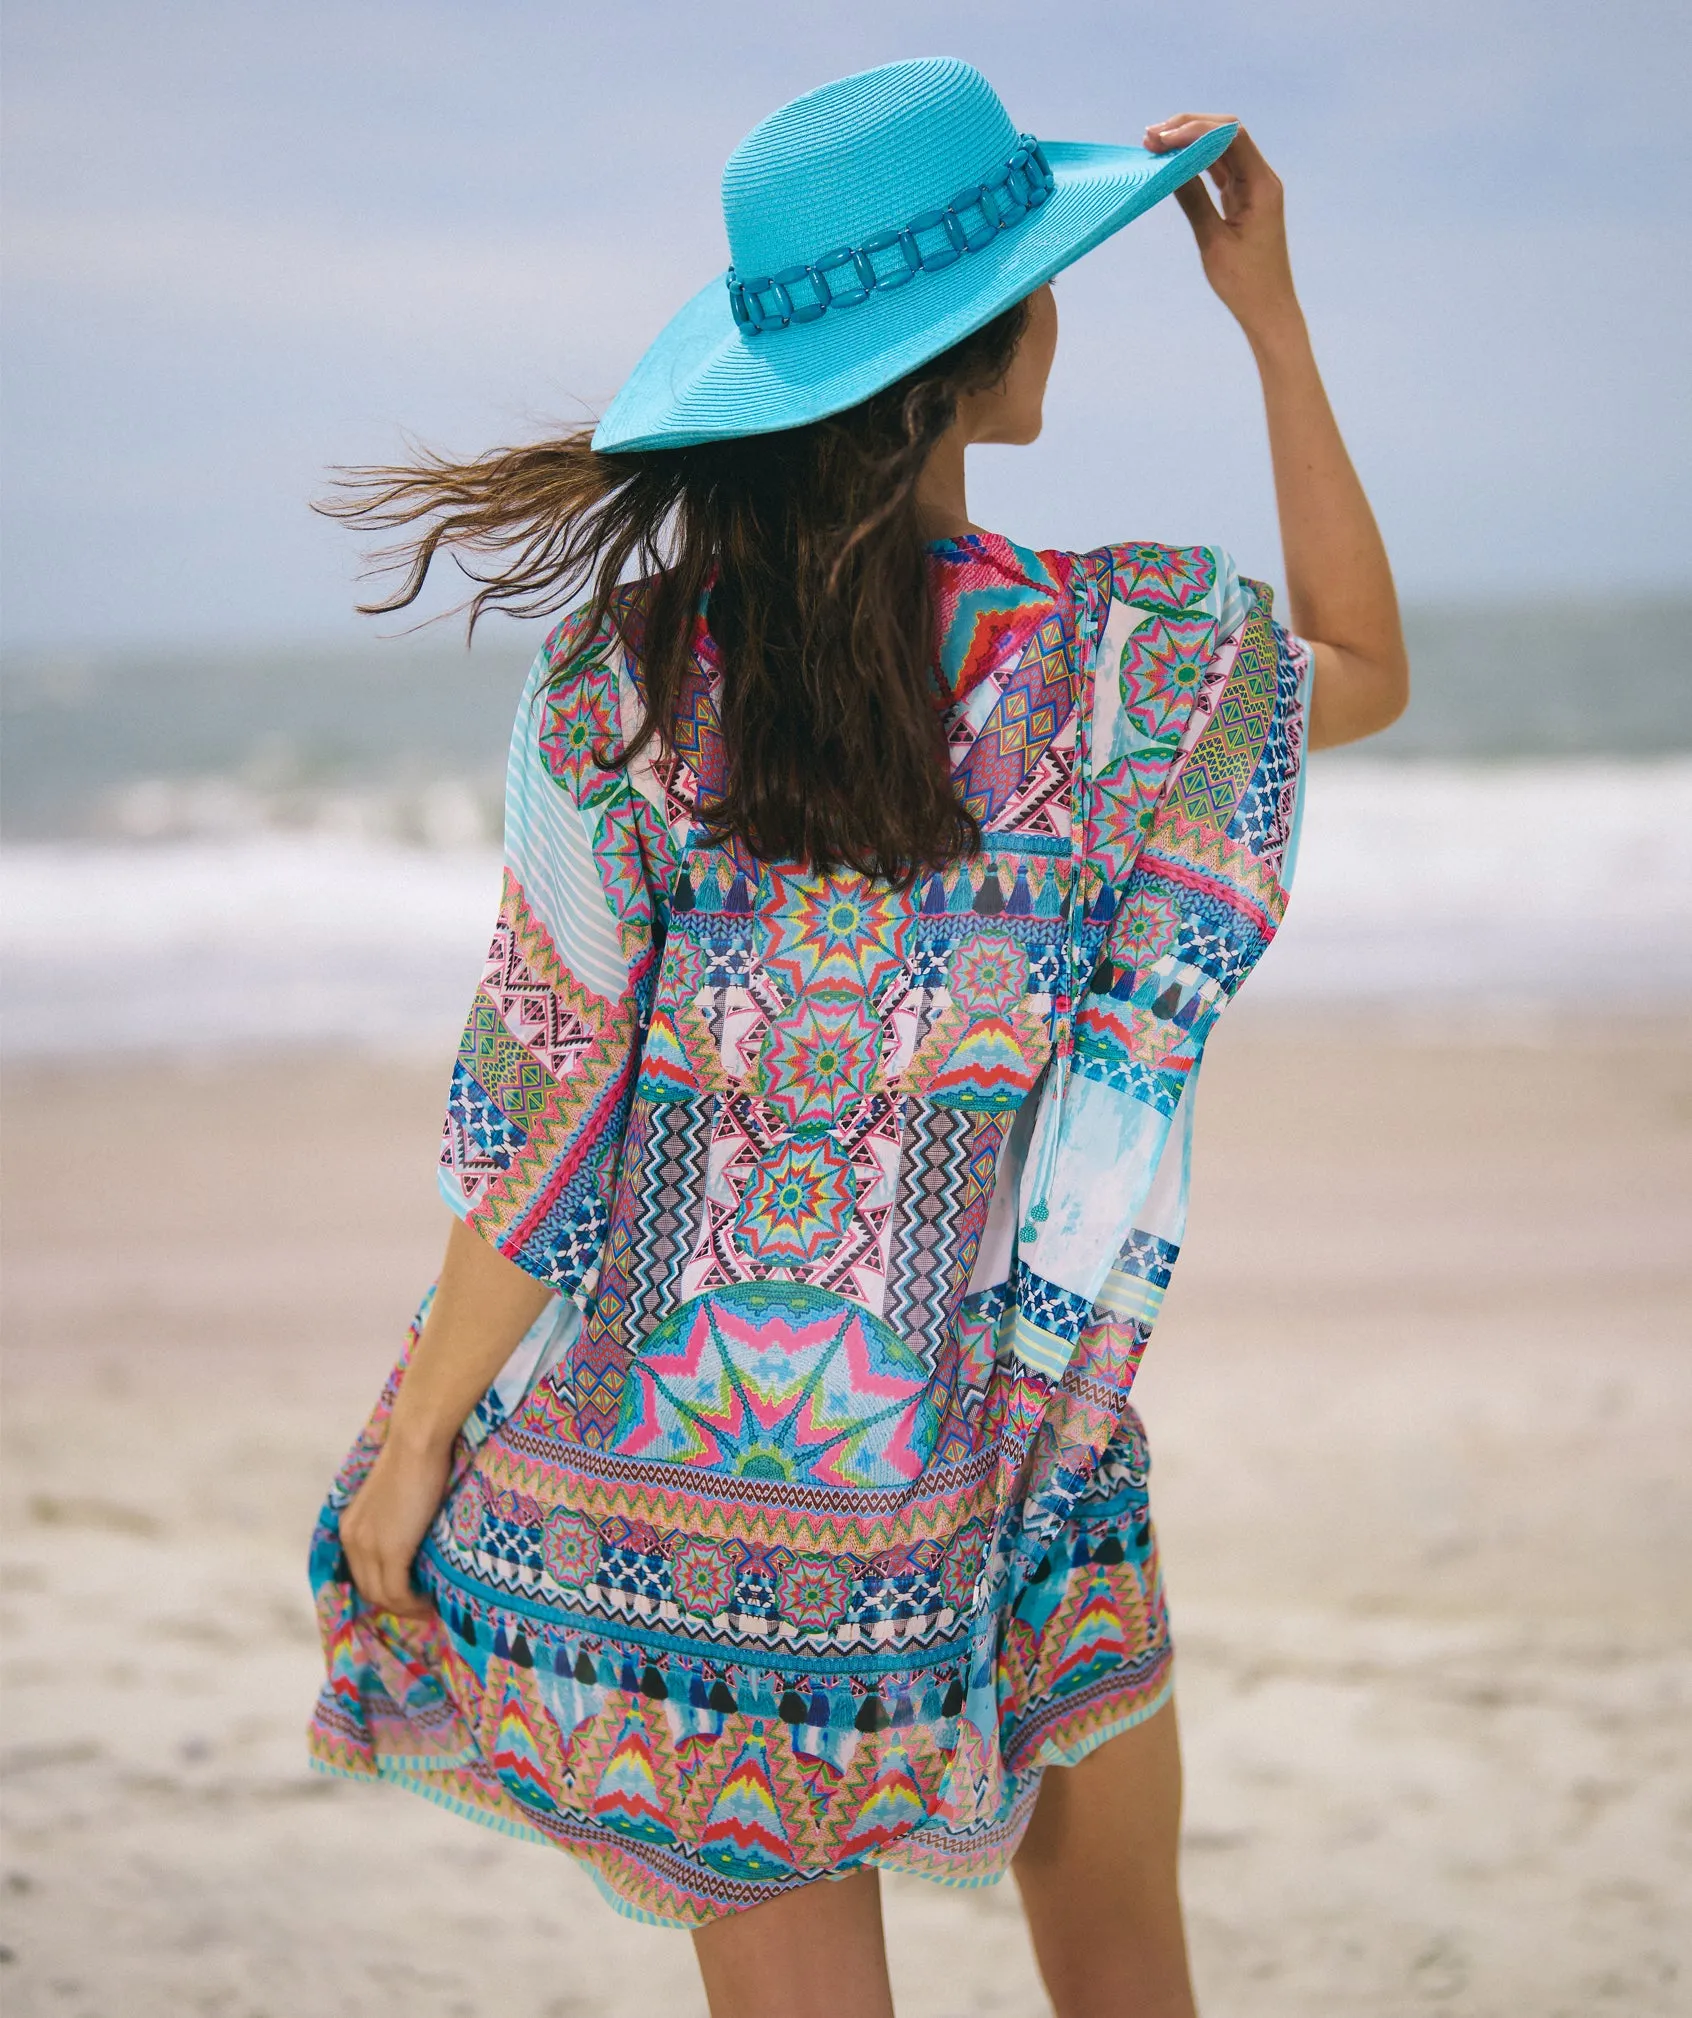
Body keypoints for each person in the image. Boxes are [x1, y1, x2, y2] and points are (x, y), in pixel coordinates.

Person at [306, 58, 1407, 2018]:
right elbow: (1369, 667)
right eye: (1045, 279)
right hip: (1013, 1454)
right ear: (972, 363)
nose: (1062, 306)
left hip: (697, 1507)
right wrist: (1271, 320)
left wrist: (410, 1453)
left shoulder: (623, 683)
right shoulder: (1108, 663)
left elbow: (542, 1107)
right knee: (1130, 1979)